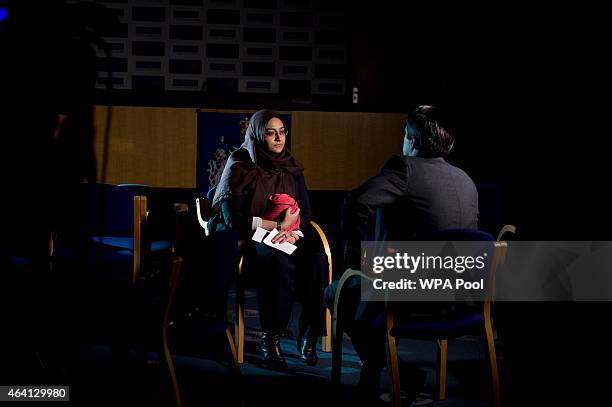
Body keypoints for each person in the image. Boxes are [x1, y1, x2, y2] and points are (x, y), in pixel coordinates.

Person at [325, 105, 479, 402]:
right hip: (459, 300)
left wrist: (355, 261)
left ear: (413, 140)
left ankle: (397, 372)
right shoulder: (466, 180)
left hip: (410, 297)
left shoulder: (404, 168)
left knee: (337, 293)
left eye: (404, 135)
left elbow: (356, 202)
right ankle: (383, 371)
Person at [211, 109, 327, 369]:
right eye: (271, 133)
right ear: (257, 135)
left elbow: (306, 212)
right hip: (252, 241)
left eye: (282, 132)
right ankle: (271, 337)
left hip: (288, 235)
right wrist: (275, 225)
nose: (278, 138)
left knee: (318, 259)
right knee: (278, 261)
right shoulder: (240, 164)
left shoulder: (292, 167)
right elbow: (234, 219)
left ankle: (309, 333)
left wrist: (291, 230)